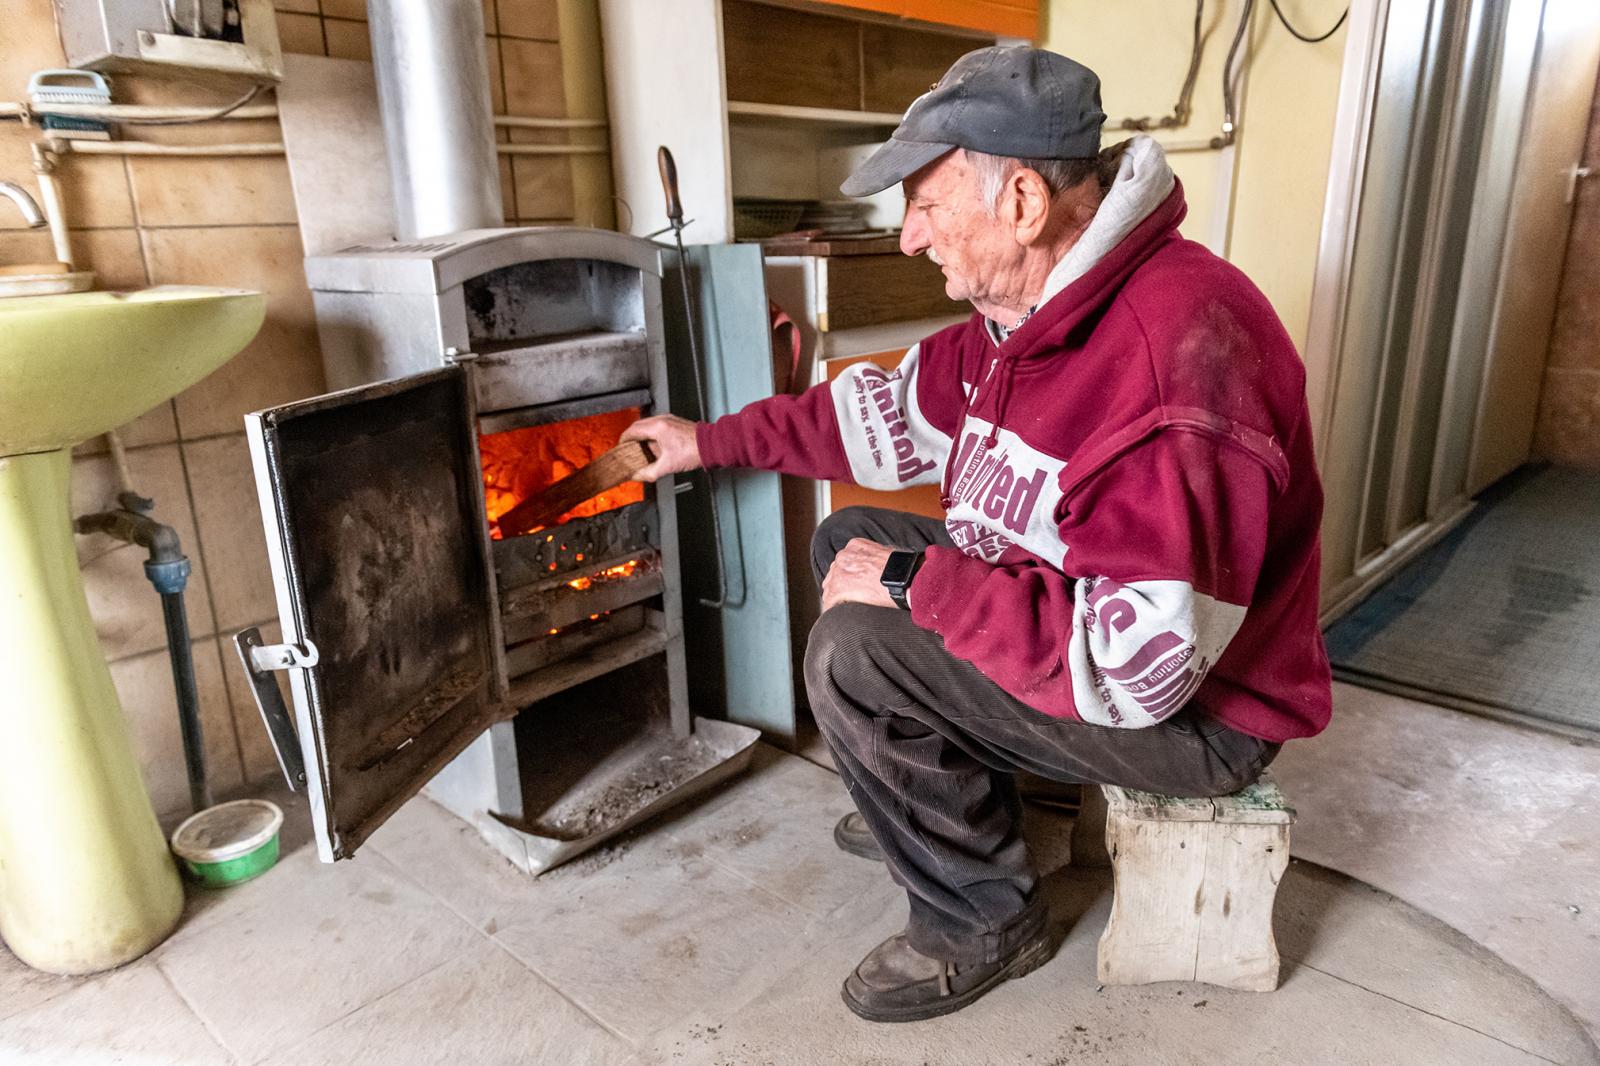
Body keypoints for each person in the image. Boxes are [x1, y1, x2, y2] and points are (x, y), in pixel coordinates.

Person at [622, 45, 1332, 1023]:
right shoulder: (1029, 315)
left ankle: (983, 917)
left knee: (853, 650)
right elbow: (869, 417)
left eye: (926, 206)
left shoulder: (1174, 364)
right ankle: (952, 805)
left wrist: (918, 586)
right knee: (849, 546)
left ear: (1024, 205)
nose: (910, 238)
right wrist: (705, 441)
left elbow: (1139, 674)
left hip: (1201, 715)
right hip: (1094, 623)